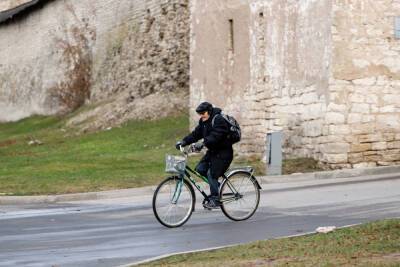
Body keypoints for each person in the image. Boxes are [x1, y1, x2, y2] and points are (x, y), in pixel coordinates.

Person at [175, 102, 233, 209]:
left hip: (224, 153)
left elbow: (216, 135)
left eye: (203, 113)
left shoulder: (218, 119)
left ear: (209, 111)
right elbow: (195, 134)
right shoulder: (203, 122)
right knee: (200, 169)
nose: (201, 115)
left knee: (212, 174)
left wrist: (203, 143)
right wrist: (183, 142)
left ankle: (215, 199)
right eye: (200, 113)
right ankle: (217, 187)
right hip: (213, 152)